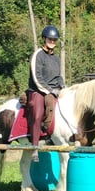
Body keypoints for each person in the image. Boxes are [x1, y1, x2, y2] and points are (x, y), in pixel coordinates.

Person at [27, 25, 65, 162]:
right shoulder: (38, 55)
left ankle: (54, 138)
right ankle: (35, 148)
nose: (52, 42)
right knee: (37, 115)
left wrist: (62, 84)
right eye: (50, 39)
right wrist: (50, 90)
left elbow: (58, 76)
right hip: (38, 91)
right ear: (44, 39)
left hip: (54, 90)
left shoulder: (56, 58)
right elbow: (37, 77)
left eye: (54, 40)